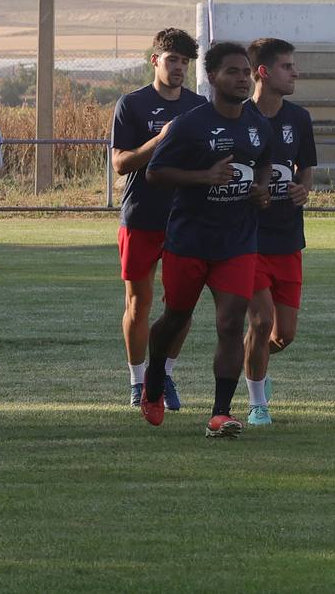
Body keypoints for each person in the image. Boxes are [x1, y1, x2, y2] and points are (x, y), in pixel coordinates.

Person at [140, 42, 272, 438]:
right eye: (232, 71)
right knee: (176, 317)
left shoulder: (256, 124)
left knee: (231, 324)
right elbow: (155, 173)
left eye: (246, 72)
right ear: (212, 77)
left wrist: (261, 188)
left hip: (237, 241)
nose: (242, 78)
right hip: (189, 240)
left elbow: (264, 159)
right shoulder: (190, 125)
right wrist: (204, 177)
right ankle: (153, 379)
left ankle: (220, 412)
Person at [110, 28, 207, 409]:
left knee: (180, 306)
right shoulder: (131, 104)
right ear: (155, 60)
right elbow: (120, 163)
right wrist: (159, 141)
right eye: (173, 60)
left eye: (185, 61)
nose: (180, 67)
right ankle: (137, 382)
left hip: (186, 218)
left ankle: (162, 376)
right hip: (141, 216)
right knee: (139, 302)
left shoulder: (199, 107)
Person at [242, 38, 317, 427]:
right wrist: (249, 195)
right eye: (287, 66)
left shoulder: (299, 119)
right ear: (264, 72)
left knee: (283, 333)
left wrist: (303, 190)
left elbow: (305, 171)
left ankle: (258, 363)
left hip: (289, 239)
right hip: (248, 240)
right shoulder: (238, 117)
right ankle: (257, 404)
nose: (295, 72)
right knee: (259, 320)